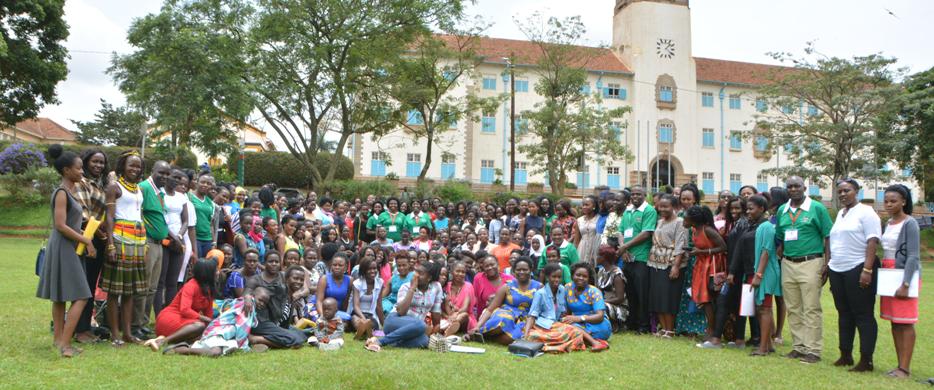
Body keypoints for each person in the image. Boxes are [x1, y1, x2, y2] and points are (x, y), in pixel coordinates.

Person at [36, 145, 94, 358]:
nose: (82, 172)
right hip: (63, 246)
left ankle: (58, 340)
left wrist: (83, 235)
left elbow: (68, 223)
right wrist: (85, 239)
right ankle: (65, 344)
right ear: (66, 170)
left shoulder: (69, 193)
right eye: (79, 168)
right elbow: (60, 225)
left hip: (67, 245)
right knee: (81, 295)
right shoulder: (61, 192)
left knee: (60, 297)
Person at [775, 176, 833, 364]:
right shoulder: (782, 210)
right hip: (788, 263)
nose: (793, 189)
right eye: (789, 186)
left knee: (811, 307)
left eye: (797, 186)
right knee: (793, 307)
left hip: (811, 261)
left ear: (804, 188)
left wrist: (827, 263)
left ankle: (813, 350)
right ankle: (798, 347)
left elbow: (828, 236)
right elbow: (781, 238)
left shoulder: (817, 208)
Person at [827, 178, 880, 371]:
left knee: (863, 314)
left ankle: (866, 360)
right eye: (839, 191)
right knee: (844, 313)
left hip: (858, 267)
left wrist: (867, 270)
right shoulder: (841, 213)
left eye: (846, 190)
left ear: (856, 191)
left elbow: (872, 241)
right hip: (838, 269)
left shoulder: (866, 212)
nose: (842, 194)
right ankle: (845, 354)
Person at [100, 151, 148, 346]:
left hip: (137, 243)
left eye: (138, 166)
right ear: (123, 166)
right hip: (119, 241)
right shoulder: (115, 187)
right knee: (114, 291)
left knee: (130, 291)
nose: (135, 170)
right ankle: (115, 335)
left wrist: (144, 244)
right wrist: (110, 244)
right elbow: (109, 216)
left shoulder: (138, 189)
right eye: (131, 165)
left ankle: (127, 333)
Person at [879, 184, 920, 379]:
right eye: (886, 201)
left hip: (903, 275)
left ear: (903, 201)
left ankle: (905, 368)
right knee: (895, 322)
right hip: (888, 273)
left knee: (906, 322)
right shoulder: (888, 222)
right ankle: (899, 365)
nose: (888, 204)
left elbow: (913, 256)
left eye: (893, 201)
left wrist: (905, 283)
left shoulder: (910, 223)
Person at [523, 263, 607, 353]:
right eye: (553, 277)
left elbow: (564, 311)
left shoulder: (562, 289)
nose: (557, 280)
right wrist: (525, 336)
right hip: (545, 325)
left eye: (559, 277)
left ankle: (592, 342)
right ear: (547, 277)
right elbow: (532, 315)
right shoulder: (540, 293)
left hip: (558, 323)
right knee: (534, 336)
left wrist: (568, 319)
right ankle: (592, 342)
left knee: (573, 331)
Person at [71, 148, 108, 344]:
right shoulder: (81, 184)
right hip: (86, 239)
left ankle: (85, 327)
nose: (98, 165)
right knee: (83, 285)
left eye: (101, 162)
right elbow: (84, 215)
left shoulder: (99, 185)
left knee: (91, 284)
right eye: (95, 161)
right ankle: (79, 330)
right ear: (85, 162)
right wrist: (101, 235)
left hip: (98, 239)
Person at [365, 262, 444, 351]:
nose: (416, 275)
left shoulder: (436, 287)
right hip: (394, 321)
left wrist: (436, 329)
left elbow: (436, 312)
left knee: (424, 340)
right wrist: (412, 288)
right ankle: (381, 341)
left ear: (429, 278)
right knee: (421, 324)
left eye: (420, 273)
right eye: (416, 272)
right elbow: (401, 312)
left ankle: (392, 343)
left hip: (414, 329)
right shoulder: (405, 287)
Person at [144, 259, 217, 351]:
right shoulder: (191, 286)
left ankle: (164, 339)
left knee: (203, 331)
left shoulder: (209, 289)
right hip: (170, 318)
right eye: (215, 271)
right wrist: (204, 319)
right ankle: (162, 342)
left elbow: (208, 314)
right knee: (199, 326)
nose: (217, 273)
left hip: (186, 320)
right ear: (207, 273)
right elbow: (184, 310)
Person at [133, 160, 171, 339]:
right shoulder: (143, 188)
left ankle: (144, 323)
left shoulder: (159, 192)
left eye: (166, 174)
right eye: (161, 173)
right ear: (152, 171)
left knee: (152, 287)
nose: (164, 177)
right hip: (147, 242)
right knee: (143, 286)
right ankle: (135, 324)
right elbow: (137, 213)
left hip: (158, 243)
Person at [684, 206, 728, 349]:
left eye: (686, 217)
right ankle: (710, 330)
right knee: (704, 300)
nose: (684, 219)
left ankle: (712, 332)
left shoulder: (707, 230)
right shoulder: (694, 230)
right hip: (701, 265)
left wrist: (702, 251)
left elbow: (723, 247)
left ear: (694, 219)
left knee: (709, 299)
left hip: (712, 267)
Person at [473, 257, 542, 345]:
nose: (521, 272)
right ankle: (477, 332)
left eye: (525, 269)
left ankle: (483, 336)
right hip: (505, 314)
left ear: (531, 270)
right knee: (504, 320)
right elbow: (490, 309)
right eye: (518, 270)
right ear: (513, 271)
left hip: (525, 319)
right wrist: (477, 326)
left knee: (511, 338)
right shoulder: (507, 286)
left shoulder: (539, 287)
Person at [245, 251, 306, 348]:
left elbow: (302, 286)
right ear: (264, 263)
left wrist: (296, 295)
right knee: (296, 340)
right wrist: (248, 297)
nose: (274, 264)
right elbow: (249, 292)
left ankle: (268, 340)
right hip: (261, 321)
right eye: (271, 261)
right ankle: (256, 339)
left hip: (276, 322)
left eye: (276, 262)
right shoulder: (260, 281)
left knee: (303, 335)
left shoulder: (283, 278)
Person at [647, 194, 687, 338]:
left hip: (670, 264)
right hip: (655, 263)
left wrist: (676, 266)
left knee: (668, 298)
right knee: (657, 297)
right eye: (660, 206)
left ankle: (670, 329)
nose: (662, 209)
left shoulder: (680, 222)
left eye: (666, 206)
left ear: (674, 207)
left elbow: (680, 245)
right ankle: (663, 328)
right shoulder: (660, 221)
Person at [618, 186, 656, 334]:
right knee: (631, 292)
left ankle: (644, 325)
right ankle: (632, 322)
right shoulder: (628, 211)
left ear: (644, 195)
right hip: (627, 258)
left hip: (641, 258)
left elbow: (646, 233)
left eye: (638, 194)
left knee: (642, 293)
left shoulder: (649, 211)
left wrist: (624, 247)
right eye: (633, 194)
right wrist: (623, 249)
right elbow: (621, 231)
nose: (635, 196)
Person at [749, 195, 782, 357]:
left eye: (751, 208)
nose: (748, 212)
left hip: (767, 272)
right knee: (762, 308)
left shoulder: (767, 227)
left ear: (762, 209)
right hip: (763, 271)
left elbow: (766, 252)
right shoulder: (761, 226)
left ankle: (763, 348)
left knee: (765, 309)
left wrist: (759, 274)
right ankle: (768, 344)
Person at [156, 169, 190, 319]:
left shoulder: (181, 197)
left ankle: (170, 316)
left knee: (173, 281)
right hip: (164, 239)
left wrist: (179, 236)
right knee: (160, 281)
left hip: (179, 240)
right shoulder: (159, 193)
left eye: (179, 178)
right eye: (174, 177)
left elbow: (185, 220)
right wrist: (173, 238)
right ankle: (158, 316)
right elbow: (160, 219)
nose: (176, 180)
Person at [564, 263, 612, 341]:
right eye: (578, 275)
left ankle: (583, 338)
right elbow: (567, 312)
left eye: (584, 276)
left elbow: (600, 316)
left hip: (596, 324)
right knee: (566, 326)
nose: (581, 278)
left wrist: (580, 318)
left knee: (572, 331)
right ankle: (583, 337)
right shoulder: (567, 288)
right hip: (577, 324)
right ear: (572, 275)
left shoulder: (594, 292)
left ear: (589, 278)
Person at [596, 245, 628, 333]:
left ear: (605, 257)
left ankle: (615, 325)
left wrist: (602, 302)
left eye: (598, 255)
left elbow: (620, 298)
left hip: (618, 306)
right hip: (605, 301)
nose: (596, 257)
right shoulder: (601, 271)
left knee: (602, 307)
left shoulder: (617, 274)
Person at [351, 258, 384, 340]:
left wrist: (384, 325)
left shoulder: (380, 283)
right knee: (356, 321)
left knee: (372, 323)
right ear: (364, 270)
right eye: (369, 269)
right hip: (358, 314)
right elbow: (356, 306)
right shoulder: (357, 283)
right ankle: (366, 331)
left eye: (374, 268)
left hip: (371, 315)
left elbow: (379, 306)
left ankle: (363, 331)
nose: (373, 271)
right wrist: (363, 319)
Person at [443, 262, 476, 336]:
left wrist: (456, 314)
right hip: (448, 316)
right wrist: (448, 316)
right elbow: (443, 306)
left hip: (462, 318)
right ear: (452, 272)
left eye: (463, 272)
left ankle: (447, 328)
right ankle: (448, 328)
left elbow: (465, 308)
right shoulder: (446, 285)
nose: (460, 274)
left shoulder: (468, 286)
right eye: (457, 271)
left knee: (464, 315)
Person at [189, 173, 217, 257]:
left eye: (208, 184)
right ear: (197, 182)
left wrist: (214, 242)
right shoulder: (189, 197)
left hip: (207, 240)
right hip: (195, 239)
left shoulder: (210, 203)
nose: (205, 185)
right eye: (203, 182)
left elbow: (211, 224)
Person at [317, 254, 352, 319]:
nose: (337, 267)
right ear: (331, 266)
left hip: (335, 312)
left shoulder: (349, 280)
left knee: (347, 318)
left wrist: (342, 316)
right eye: (334, 265)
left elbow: (346, 301)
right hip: (320, 310)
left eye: (340, 265)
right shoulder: (324, 279)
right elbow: (319, 301)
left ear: (346, 267)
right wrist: (322, 316)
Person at [573, 195, 601, 267]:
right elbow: (576, 240)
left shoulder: (600, 219)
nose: (584, 207)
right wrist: (573, 254)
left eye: (587, 205)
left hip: (595, 247)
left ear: (594, 206)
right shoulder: (579, 220)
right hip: (582, 248)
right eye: (583, 205)